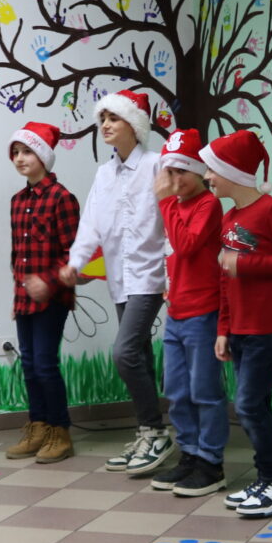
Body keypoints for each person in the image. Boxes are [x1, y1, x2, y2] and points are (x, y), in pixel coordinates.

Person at [59, 90, 173, 476]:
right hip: (120, 279)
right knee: (138, 354)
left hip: (150, 276)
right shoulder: (104, 174)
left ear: (134, 125)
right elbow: (90, 224)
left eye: (114, 118)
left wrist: (173, 271)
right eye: (102, 119)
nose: (105, 125)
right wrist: (76, 262)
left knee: (124, 353)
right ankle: (148, 432)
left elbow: (171, 220)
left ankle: (155, 431)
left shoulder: (157, 166)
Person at [201, 129, 272, 517]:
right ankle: (269, 479)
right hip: (240, 330)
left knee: (247, 405)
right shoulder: (229, 217)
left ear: (233, 172)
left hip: (269, 327)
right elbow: (224, 280)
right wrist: (223, 329)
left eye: (212, 170)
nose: (207, 177)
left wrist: (245, 264)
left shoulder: (271, 210)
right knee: (255, 405)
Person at [149, 128, 227, 497]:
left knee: (204, 390)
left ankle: (211, 462)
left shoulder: (208, 205)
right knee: (177, 391)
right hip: (176, 313)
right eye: (169, 171)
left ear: (198, 171)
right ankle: (190, 454)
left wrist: (165, 201)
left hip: (203, 313)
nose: (175, 179)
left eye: (182, 171)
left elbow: (187, 244)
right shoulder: (174, 206)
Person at [3, 122, 82, 463]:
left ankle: (60, 431)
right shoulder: (17, 201)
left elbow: (73, 254)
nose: (20, 158)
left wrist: (48, 282)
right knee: (30, 365)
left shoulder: (62, 198)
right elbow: (17, 256)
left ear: (44, 157)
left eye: (27, 152)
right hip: (25, 299)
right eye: (16, 153)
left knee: (46, 364)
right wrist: (17, 295)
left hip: (53, 299)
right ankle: (38, 425)